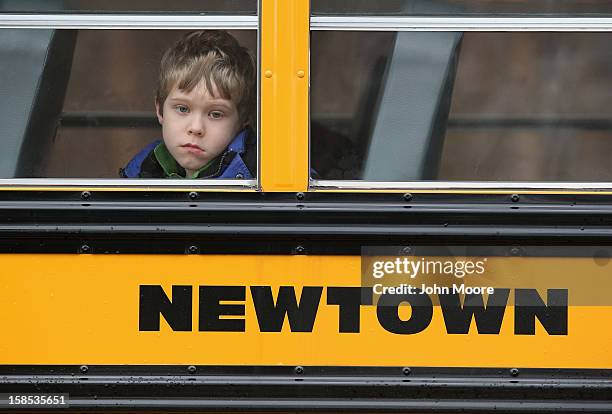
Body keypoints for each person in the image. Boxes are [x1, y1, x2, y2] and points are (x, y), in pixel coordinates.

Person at [121, 30, 256, 179]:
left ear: (243, 120)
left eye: (216, 114)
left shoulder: (256, 173)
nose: (196, 128)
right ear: (160, 110)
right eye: (183, 109)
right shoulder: (142, 171)